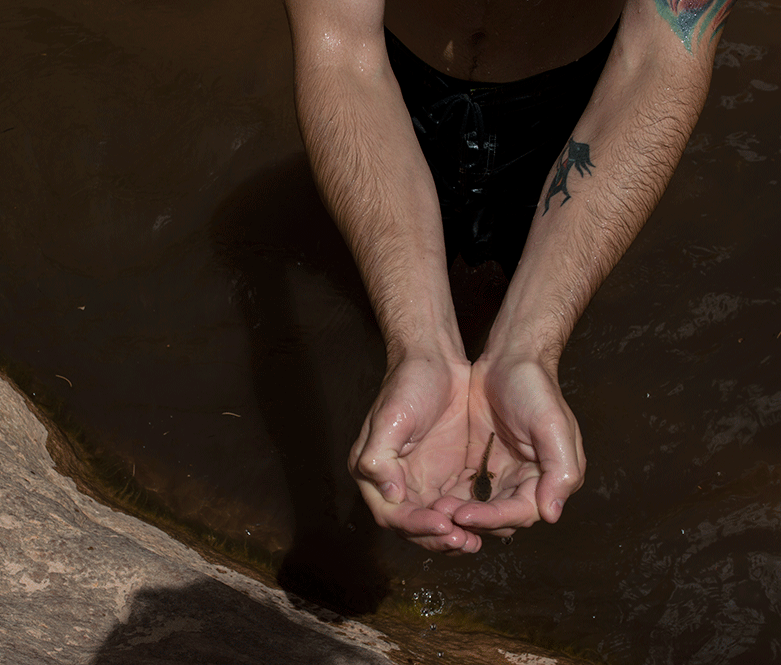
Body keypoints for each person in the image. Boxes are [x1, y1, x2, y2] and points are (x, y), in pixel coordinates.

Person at [282, 0, 734, 553]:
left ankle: (496, 364)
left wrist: (530, 347)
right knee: (389, 304)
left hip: (581, 97)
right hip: (389, 77)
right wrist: (418, 342)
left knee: (502, 301)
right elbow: (343, 53)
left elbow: (659, 54)